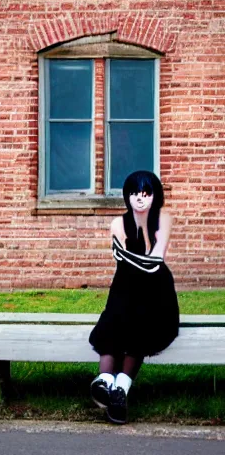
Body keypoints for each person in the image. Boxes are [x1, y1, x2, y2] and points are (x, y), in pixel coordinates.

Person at [89, 170, 179, 424]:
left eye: (146, 193)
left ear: (154, 196)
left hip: (157, 292)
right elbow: (127, 262)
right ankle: (107, 385)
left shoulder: (163, 219)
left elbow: (154, 262)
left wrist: (135, 245)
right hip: (125, 288)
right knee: (113, 324)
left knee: (141, 321)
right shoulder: (117, 224)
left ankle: (119, 389)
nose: (139, 199)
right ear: (126, 197)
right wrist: (131, 256)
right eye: (133, 193)